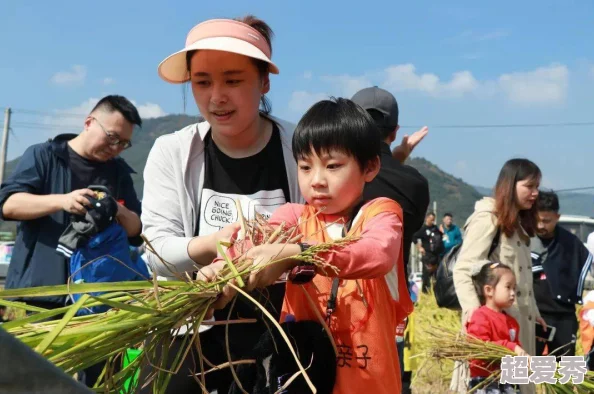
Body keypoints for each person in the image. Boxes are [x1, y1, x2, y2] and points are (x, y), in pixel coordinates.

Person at [203, 97, 413, 393]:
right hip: (302, 381)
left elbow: (377, 254)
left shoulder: (380, 213)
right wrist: (220, 269)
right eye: (305, 167)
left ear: (369, 167)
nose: (316, 180)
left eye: (332, 166)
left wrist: (297, 255)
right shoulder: (292, 217)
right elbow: (251, 247)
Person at [139, 15, 302, 393]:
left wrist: (285, 252)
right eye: (202, 82)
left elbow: (328, 235)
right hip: (188, 336)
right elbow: (156, 250)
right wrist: (215, 244)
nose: (216, 97)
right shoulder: (173, 151)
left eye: (232, 80)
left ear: (263, 82)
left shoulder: (300, 148)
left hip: (282, 337)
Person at [0, 95, 143, 387]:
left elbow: (136, 227)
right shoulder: (43, 156)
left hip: (100, 295)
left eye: (123, 143)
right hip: (46, 293)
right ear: (89, 122)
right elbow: (8, 205)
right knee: (45, 376)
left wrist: (116, 209)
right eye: (112, 137)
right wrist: (62, 201)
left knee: (102, 378)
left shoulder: (118, 172)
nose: (115, 148)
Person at [351, 85, 429, 394]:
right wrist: (399, 159)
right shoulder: (415, 184)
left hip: (331, 307)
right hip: (387, 311)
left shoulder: (331, 174)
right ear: (395, 132)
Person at [452, 158, 547, 394]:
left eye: (537, 187)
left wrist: (533, 310)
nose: (535, 193)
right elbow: (464, 269)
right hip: (493, 332)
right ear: (510, 184)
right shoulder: (488, 218)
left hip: (517, 327)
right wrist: (475, 316)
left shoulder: (519, 223)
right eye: (529, 186)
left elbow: (521, 277)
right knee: (492, 386)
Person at [531, 191, 593, 357]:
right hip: (536, 314)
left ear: (557, 217)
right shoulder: (525, 239)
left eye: (546, 221)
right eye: (537, 220)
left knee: (565, 368)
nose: (540, 226)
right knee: (530, 365)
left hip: (564, 315)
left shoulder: (571, 243)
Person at [466, 262, 526, 394]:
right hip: (486, 381)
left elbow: (516, 348)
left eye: (514, 288)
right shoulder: (480, 316)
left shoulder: (512, 322)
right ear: (489, 290)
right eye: (508, 287)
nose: (512, 293)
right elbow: (481, 347)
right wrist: (512, 347)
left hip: (509, 381)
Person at [413, 212, 443, 293]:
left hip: (435, 255)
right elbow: (414, 237)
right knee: (426, 274)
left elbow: (440, 238)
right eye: (431, 219)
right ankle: (425, 291)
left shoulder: (435, 228)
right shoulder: (423, 229)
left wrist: (441, 232)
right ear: (427, 218)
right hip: (427, 255)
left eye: (433, 220)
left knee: (436, 275)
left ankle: (436, 291)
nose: (432, 221)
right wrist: (419, 247)